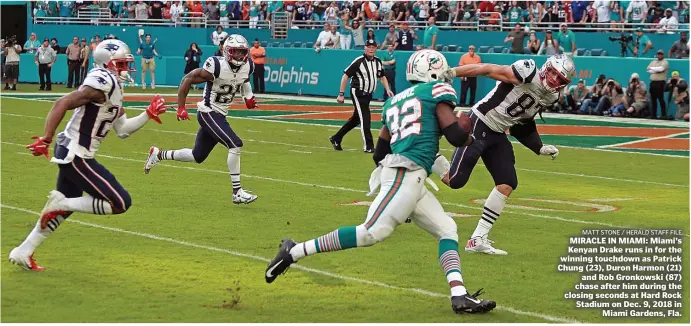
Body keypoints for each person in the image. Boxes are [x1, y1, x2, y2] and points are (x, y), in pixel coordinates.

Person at [265, 49, 496, 315]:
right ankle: (293, 252)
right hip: (406, 174)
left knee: (447, 229)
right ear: (433, 71)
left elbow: (379, 153)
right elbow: (455, 136)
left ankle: (459, 296)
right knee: (370, 232)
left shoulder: (394, 101)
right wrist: (468, 136)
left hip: (409, 174)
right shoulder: (437, 93)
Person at [9, 39, 167, 271]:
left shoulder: (113, 85)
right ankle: (59, 203)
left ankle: (23, 251)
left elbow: (122, 130)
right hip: (76, 153)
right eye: (121, 64)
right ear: (107, 64)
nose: (126, 69)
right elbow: (63, 102)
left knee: (64, 210)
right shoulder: (101, 82)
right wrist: (46, 137)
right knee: (120, 202)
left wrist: (147, 114)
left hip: (74, 151)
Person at [436, 54, 573, 255]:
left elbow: (523, 122)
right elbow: (488, 69)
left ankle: (477, 238)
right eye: (553, 73)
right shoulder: (528, 72)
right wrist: (454, 72)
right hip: (480, 122)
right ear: (547, 67)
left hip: (498, 133)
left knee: (507, 182)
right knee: (455, 180)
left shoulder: (551, 95)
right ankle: (430, 156)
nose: (554, 80)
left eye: (560, 79)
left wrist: (539, 147)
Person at [145, 34, 259, 205]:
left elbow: (244, 80)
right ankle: (237, 192)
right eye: (235, 52)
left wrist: (248, 97)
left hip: (220, 114)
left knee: (197, 155)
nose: (238, 56)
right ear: (227, 51)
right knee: (235, 144)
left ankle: (159, 154)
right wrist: (181, 107)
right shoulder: (216, 65)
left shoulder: (248, 66)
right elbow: (188, 79)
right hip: (208, 112)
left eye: (241, 52)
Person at [329, 39, 394, 153]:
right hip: (358, 92)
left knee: (356, 119)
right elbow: (345, 76)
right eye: (369, 47)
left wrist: (388, 89)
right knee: (365, 118)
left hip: (368, 94)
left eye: (373, 47)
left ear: (376, 49)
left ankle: (336, 138)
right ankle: (369, 147)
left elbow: (382, 76)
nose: (371, 49)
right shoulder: (358, 61)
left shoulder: (378, 61)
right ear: (365, 48)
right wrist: (341, 94)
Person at [647, 49, 669, 118]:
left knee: (661, 99)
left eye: (661, 54)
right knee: (653, 100)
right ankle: (653, 115)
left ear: (663, 55)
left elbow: (661, 69)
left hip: (660, 83)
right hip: (653, 83)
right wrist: (656, 70)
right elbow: (647, 69)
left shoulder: (665, 62)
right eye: (658, 54)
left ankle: (663, 115)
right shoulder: (653, 61)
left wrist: (653, 69)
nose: (659, 55)